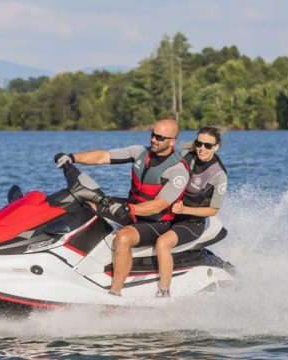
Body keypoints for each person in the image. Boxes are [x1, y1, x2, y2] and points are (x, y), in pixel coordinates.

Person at [54, 119, 189, 296]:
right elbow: (104, 156)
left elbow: (159, 205)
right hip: (131, 208)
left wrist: (128, 210)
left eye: (160, 137)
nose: (154, 140)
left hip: (157, 222)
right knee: (85, 202)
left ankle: (115, 293)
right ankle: (69, 261)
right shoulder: (140, 152)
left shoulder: (178, 170)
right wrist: (72, 157)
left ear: (172, 141)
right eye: (153, 135)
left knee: (123, 238)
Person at [153, 126, 227, 297]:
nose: (202, 148)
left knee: (163, 243)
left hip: (192, 223)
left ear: (216, 147)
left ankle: (163, 292)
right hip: (170, 214)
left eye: (208, 145)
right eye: (199, 143)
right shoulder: (187, 157)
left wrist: (185, 209)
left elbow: (213, 210)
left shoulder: (218, 175)